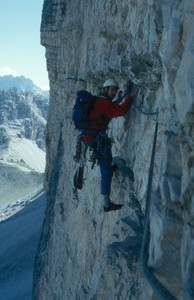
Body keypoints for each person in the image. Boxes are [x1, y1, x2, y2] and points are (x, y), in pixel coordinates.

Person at [82, 79, 139, 212]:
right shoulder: (103, 102)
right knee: (106, 172)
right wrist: (131, 97)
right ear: (106, 89)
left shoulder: (99, 99)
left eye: (115, 90)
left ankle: (108, 166)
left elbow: (109, 109)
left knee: (106, 162)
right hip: (97, 138)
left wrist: (120, 97)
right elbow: (121, 111)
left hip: (91, 137)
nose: (114, 93)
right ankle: (106, 205)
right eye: (112, 90)